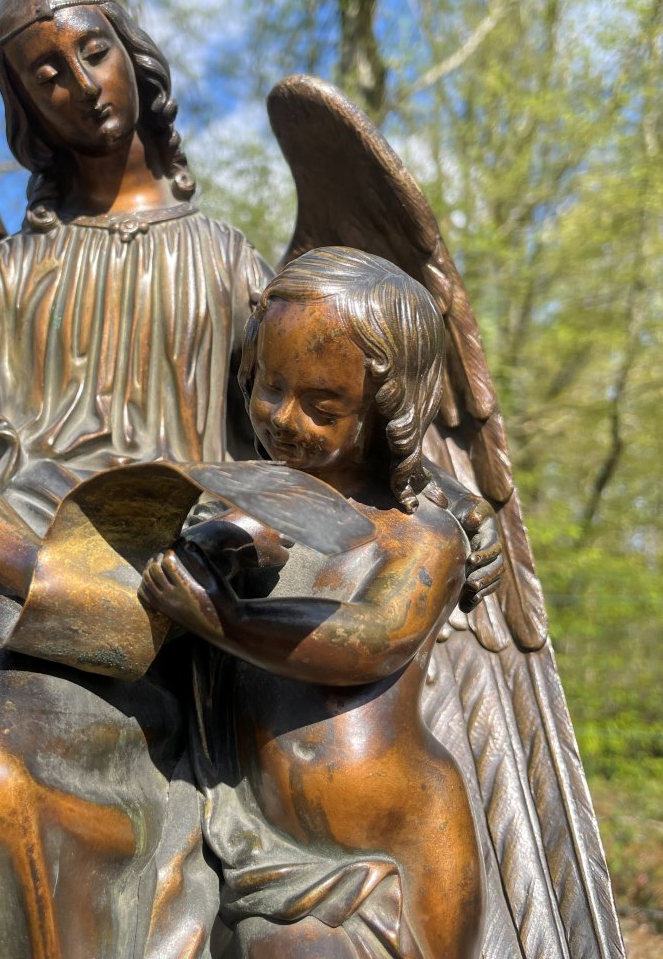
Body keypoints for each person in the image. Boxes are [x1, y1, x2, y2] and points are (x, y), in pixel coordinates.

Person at [0, 0, 496, 957]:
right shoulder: (6, 274)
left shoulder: (235, 268)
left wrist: (436, 497)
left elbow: (328, 431)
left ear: (130, 52)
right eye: (46, 76)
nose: (81, 85)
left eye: (91, 52)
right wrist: (35, 569)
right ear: (25, 105)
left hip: (138, 585)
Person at [140, 247, 485, 959]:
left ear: (388, 409)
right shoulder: (246, 511)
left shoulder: (420, 533)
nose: (284, 419)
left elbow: (370, 637)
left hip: (387, 864)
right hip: (253, 840)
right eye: (270, 387)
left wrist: (225, 619)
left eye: (323, 406)